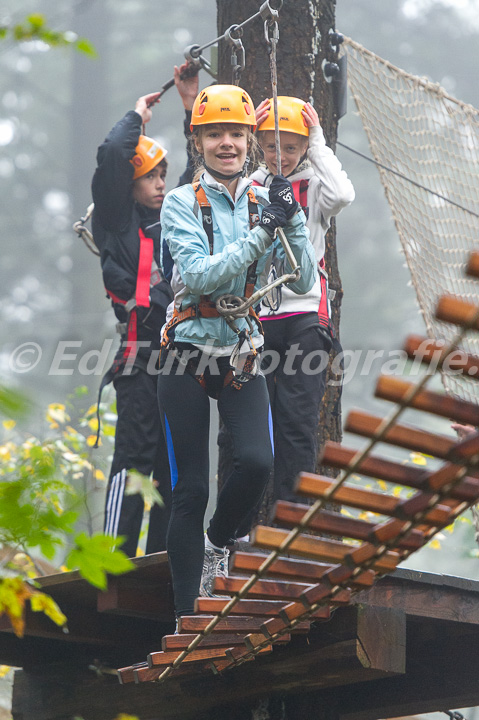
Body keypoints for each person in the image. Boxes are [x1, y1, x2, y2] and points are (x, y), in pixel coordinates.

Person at [158, 83, 317, 618]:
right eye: (214, 134)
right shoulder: (181, 203)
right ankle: (186, 616)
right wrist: (260, 234)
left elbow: (303, 277)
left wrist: (288, 213)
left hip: (242, 350)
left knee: (256, 461)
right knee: (191, 489)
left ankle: (218, 543)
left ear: (251, 141)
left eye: (236, 134)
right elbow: (200, 275)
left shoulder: (262, 198)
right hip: (186, 349)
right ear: (197, 140)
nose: (226, 143)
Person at [91, 64, 198, 558]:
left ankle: (161, 560)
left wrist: (188, 104)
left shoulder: (177, 219)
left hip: (180, 363)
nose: (159, 184)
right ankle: (113, 558)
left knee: (172, 467)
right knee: (133, 459)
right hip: (138, 363)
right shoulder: (117, 224)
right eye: (149, 177)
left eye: (161, 174)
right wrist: (137, 115)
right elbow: (114, 155)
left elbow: (203, 174)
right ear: (129, 186)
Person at [248, 95, 355, 509]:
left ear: (304, 148)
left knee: (296, 424)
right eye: (272, 146)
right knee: (247, 426)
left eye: (291, 147)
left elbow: (344, 194)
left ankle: (294, 521)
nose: (280, 156)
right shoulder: (253, 186)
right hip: (257, 316)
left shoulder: (315, 186)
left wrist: (318, 142)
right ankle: (240, 527)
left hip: (306, 315)